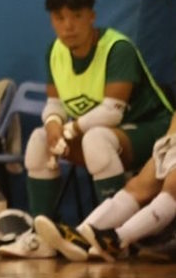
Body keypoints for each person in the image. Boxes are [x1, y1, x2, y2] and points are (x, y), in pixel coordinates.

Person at [0, 0, 173, 258]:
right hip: (100, 130)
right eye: (60, 18)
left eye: (76, 16)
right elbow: (54, 103)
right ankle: (42, 237)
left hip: (152, 129)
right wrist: (54, 124)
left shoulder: (117, 48)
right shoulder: (55, 52)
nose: (68, 26)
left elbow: (111, 112)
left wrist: (70, 128)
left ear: (92, 16)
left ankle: (111, 238)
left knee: (96, 139)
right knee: (40, 140)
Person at [35, 112, 176, 262]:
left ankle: (119, 240)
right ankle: (80, 236)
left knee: (172, 190)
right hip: (171, 139)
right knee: (137, 187)